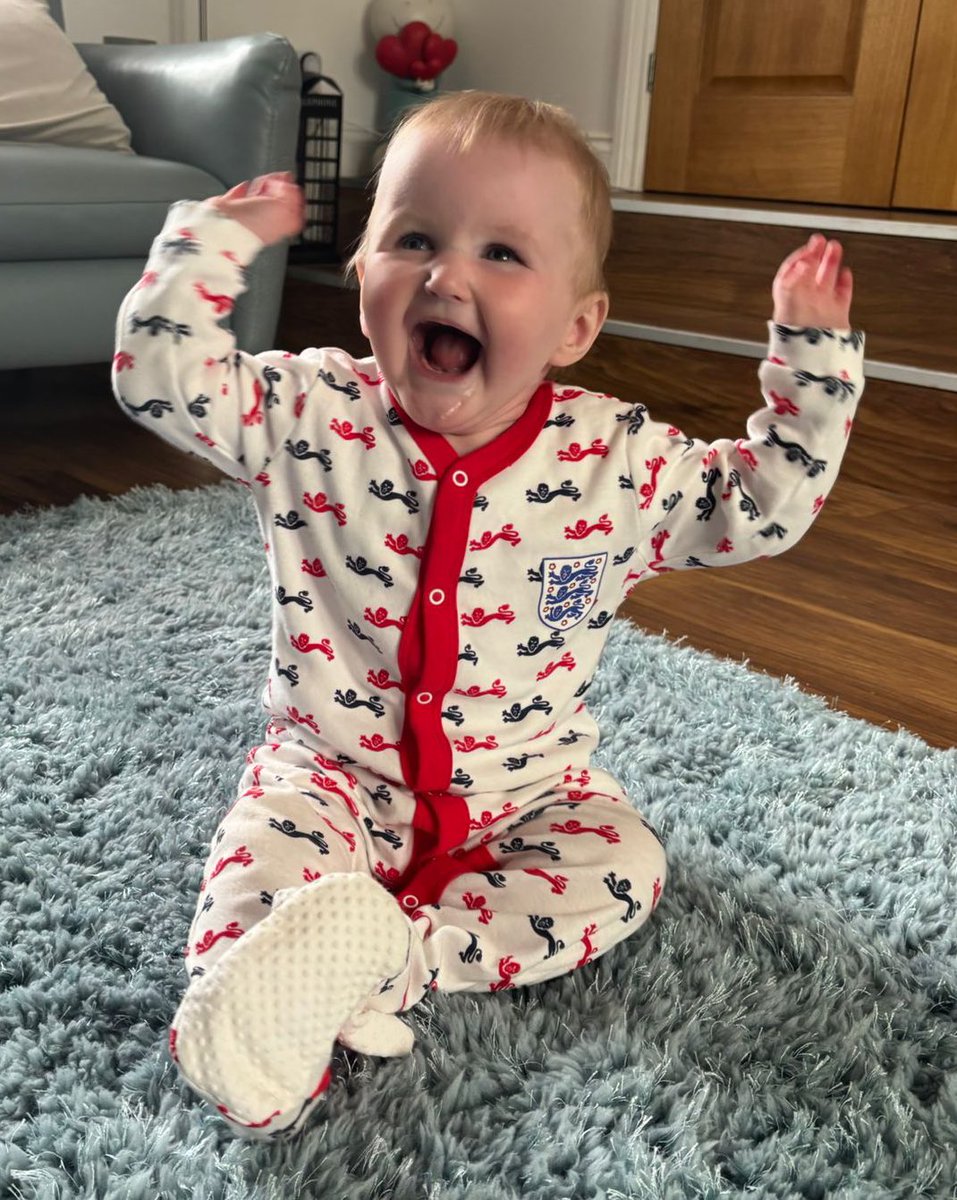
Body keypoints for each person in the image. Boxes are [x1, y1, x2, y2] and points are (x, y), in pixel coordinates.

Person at [112, 90, 863, 1138]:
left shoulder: (617, 464)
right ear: (362, 272)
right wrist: (215, 241)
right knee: (251, 884)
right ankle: (262, 1032)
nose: (446, 274)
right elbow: (160, 377)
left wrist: (812, 363)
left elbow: (764, 506)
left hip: (524, 789)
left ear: (577, 326)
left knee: (627, 865)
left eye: (503, 255)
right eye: (412, 238)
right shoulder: (310, 413)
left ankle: (396, 954)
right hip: (327, 772)